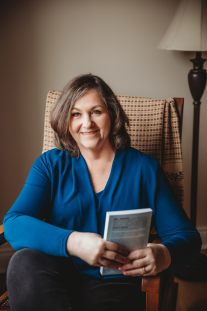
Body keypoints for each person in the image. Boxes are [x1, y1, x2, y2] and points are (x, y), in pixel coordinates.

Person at [3, 74, 201, 311]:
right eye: (76, 114)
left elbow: (188, 237)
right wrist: (74, 242)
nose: (87, 123)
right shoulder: (50, 165)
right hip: (54, 277)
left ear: (112, 114)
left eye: (96, 111)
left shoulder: (143, 168)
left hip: (115, 285)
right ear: (66, 120)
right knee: (23, 262)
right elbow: (14, 223)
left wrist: (164, 254)